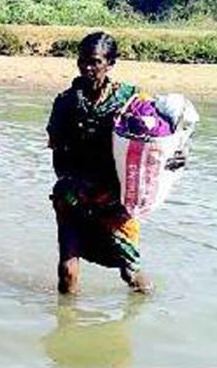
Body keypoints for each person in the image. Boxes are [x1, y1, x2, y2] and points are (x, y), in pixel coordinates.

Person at [47, 31, 151, 294]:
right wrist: (72, 183)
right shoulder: (66, 102)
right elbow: (57, 150)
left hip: (114, 198)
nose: (87, 68)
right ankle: (66, 318)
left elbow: (157, 141)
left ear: (110, 63)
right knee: (67, 271)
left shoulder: (130, 101)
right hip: (74, 194)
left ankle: (146, 298)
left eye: (95, 62)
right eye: (82, 60)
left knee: (129, 271)